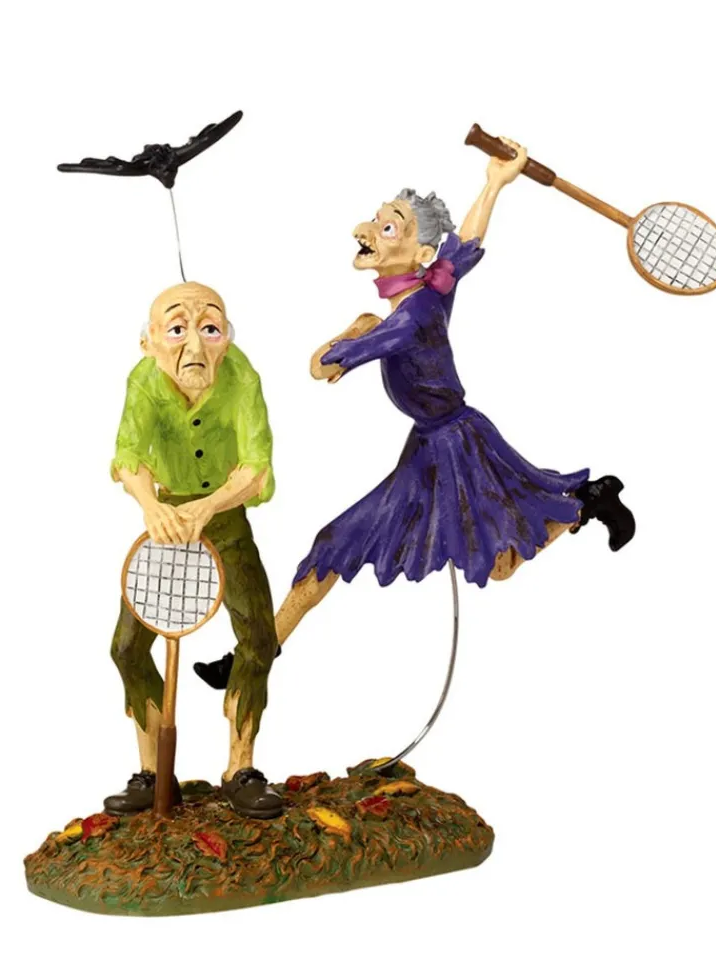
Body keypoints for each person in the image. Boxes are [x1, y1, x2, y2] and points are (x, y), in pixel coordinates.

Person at [194, 139, 634, 687]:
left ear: (418, 252)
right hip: (429, 447)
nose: (368, 230)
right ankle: (251, 656)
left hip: (459, 450)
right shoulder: (430, 288)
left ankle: (585, 505)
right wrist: (495, 183)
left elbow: (320, 367)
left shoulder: (408, 320)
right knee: (336, 546)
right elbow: (466, 243)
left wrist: (357, 330)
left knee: (498, 564)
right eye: (377, 220)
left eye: (388, 227)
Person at [103, 281, 284, 820]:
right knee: (127, 648)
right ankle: (152, 773)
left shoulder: (241, 377)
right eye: (178, 329)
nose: (196, 347)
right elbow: (127, 456)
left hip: (225, 517)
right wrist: (151, 506)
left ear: (227, 338)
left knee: (259, 639)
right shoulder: (143, 381)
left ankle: (241, 769)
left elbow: (257, 468)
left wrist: (209, 507)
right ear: (150, 342)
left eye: (210, 328)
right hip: (165, 524)